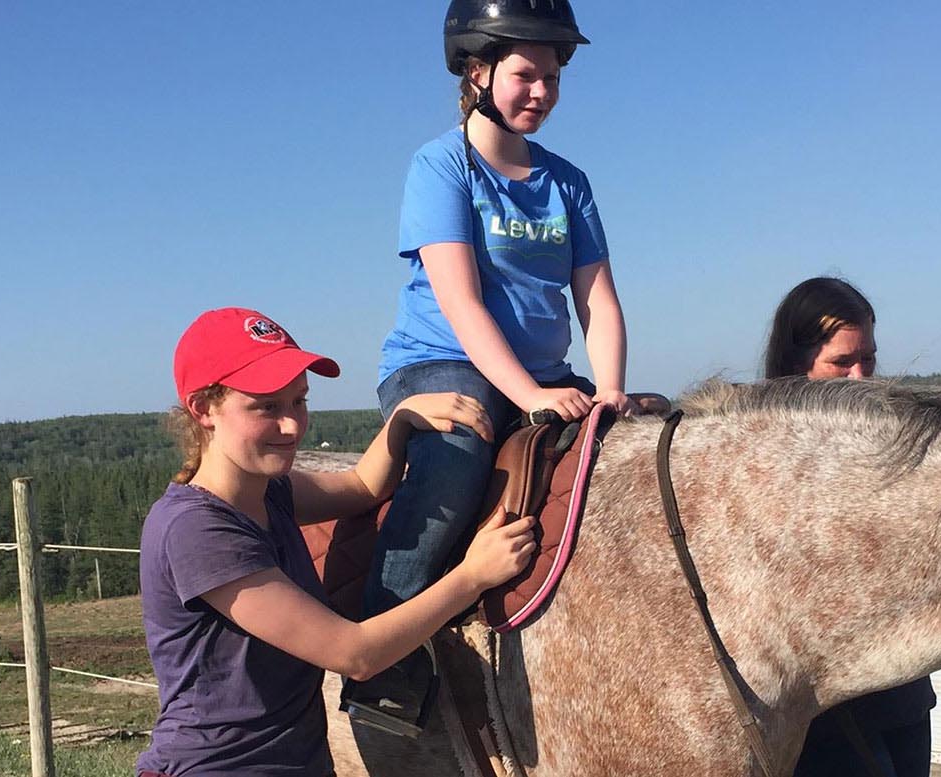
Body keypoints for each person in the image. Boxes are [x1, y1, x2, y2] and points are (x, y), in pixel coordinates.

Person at [344, 0, 632, 732]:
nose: (543, 91)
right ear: (478, 71)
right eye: (526, 75)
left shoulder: (568, 181)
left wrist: (612, 389)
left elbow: (596, 294)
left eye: (554, 77)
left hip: (540, 375)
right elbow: (463, 303)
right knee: (455, 460)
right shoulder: (441, 166)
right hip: (440, 364)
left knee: (632, 449)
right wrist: (531, 392)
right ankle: (384, 663)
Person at [136, 307, 539, 776]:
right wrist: (473, 576)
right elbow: (355, 653)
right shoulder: (198, 531)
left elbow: (363, 487)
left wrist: (402, 418)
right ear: (203, 409)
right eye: (266, 407)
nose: (292, 426)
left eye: (299, 402)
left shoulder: (272, 493)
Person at [763, 277, 941, 777]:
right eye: (841, 363)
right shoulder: (769, 469)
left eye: (867, 360)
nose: (860, 379)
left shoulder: (895, 448)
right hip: (826, 720)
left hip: (906, 701)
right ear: (794, 366)